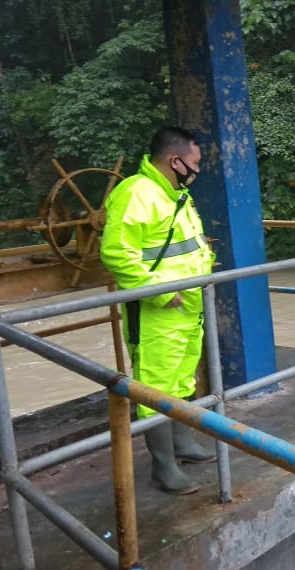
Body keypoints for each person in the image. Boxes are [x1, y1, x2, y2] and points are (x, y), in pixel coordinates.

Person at [100, 126, 217, 495]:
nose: (197, 170)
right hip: (156, 311)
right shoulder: (136, 193)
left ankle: (181, 444)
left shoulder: (174, 194)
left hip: (187, 306)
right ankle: (163, 467)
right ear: (175, 160)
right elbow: (117, 253)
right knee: (154, 387)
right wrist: (160, 293)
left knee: (182, 379)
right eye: (194, 163)